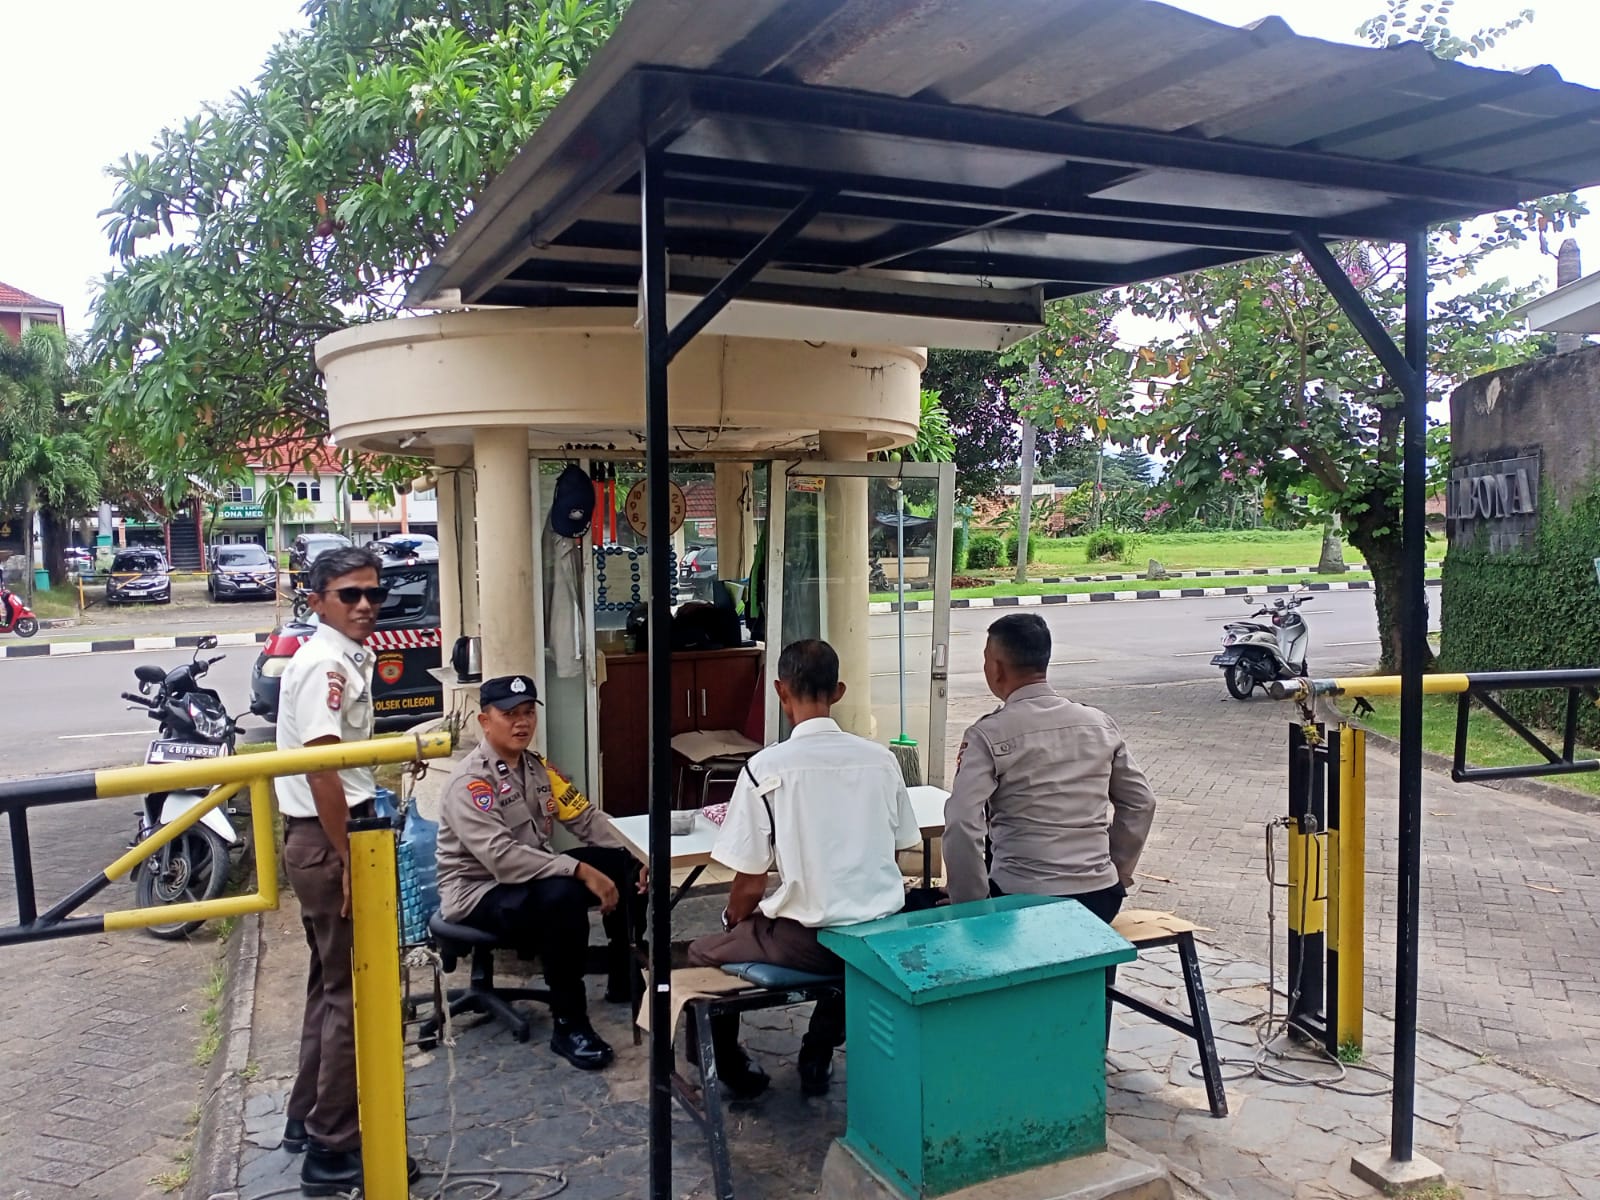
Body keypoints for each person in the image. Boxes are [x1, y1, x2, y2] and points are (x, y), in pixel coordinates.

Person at [688, 639, 922, 1098]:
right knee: (849, 960)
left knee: (701, 952)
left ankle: (728, 1066)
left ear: (781, 691)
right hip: (879, 933)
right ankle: (817, 1051)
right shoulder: (881, 760)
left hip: (810, 941)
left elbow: (749, 882)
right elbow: (895, 852)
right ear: (838, 691)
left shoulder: (764, 767)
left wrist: (734, 920)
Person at [274, 545, 419, 1195]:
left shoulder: (340, 656)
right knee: (354, 995)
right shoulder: (325, 664)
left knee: (329, 985)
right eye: (350, 594)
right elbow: (323, 770)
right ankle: (334, 1146)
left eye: (374, 594)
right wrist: (348, 858)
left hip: (326, 833)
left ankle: (306, 1116)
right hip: (332, 836)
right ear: (317, 602)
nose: (366, 605)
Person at [435, 675, 647, 1071]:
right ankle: (570, 1023)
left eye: (528, 712)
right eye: (509, 714)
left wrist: (637, 849)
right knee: (561, 896)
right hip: (478, 892)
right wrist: (579, 869)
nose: (522, 722)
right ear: (485, 721)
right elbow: (501, 857)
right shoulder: (472, 782)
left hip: (530, 877)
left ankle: (624, 974)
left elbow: (585, 818)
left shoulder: (537, 768)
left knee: (624, 862)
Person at [943, 612, 1157, 924]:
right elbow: (1141, 802)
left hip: (1019, 899)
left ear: (997, 668)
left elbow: (962, 820)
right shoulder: (1098, 724)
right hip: (1100, 899)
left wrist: (970, 904)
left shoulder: (988, 734)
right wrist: (1116, 871)